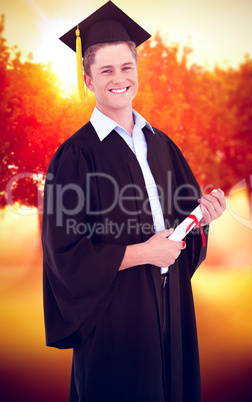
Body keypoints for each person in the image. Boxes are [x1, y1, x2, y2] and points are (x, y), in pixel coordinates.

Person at [42, 2, 226, 402]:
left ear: (137, 71)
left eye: (126, 67)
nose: (119, 78)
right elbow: (65, 256)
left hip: (172, 305)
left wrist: (203, 216)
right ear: (87, 80)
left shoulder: (162, 145)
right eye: (106, 70)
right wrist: (144, 252)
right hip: (115, 316)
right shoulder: (76, 156)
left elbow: (183, 227)